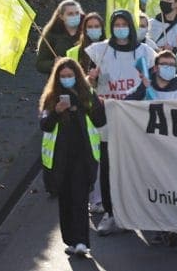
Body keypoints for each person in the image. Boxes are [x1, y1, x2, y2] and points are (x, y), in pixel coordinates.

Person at [84, 9, 155, 236]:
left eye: (125, 24)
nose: (120, 28)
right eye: (117, 24)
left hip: (136, 118)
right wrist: (91, 80)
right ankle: (111, 212)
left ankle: (136, 211)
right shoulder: (99, 51)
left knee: (136, 164)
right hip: (109, 116)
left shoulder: (145, 51)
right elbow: (92, 85)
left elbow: (151, 81)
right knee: (108, 166)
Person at [39, 57, 106, 257]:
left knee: (79, 198)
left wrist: (90, 104)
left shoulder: (87, 94)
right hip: (60, 159)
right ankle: (70, 240)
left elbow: (100, 120)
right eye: (63, 77)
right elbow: (45, 125)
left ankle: (82, 242)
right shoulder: (51, 98)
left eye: (70, 76)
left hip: (83, 156)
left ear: (77, 76)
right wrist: (56, 112)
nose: (67, 79)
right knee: (65, 200)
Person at [36, 0, 84, 76]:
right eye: (70, 14)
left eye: (77, 13)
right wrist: (54, 63)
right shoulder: (51, 35)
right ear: (61, 16)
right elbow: (40, 64)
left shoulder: (86, 32)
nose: (74, 16)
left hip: (83, 82)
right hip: (58, 82)